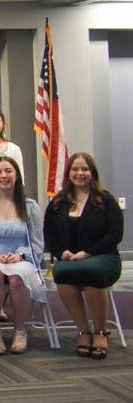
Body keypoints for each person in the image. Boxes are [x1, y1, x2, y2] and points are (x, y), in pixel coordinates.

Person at [43, 152, 123, 360]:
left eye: (85, 169)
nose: (80, 173)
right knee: (61, 273)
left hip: (103, 258)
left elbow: (115, 234)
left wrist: (88, 253)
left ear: (92, 173)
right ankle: (83, 331)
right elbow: (49, 233)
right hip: (69, 260)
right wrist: (62, 253)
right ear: (69, 173)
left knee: (91, 272)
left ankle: (100, 332)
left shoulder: (105, 200)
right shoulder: (58, 202)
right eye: (75, 169)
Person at [0, 156, 44, 355]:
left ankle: (20, 330)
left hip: (22, 258)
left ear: (16, 175)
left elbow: (37, 242)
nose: (4, 176)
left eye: (8, 171)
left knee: (16, 277)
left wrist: (21, 256)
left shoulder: (30, 206)